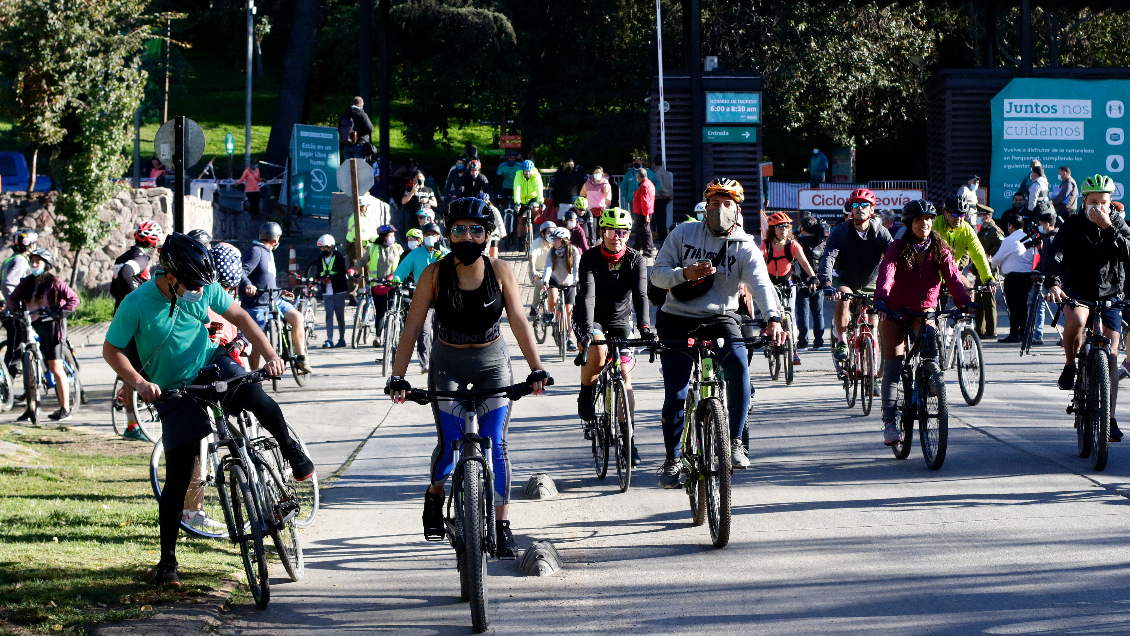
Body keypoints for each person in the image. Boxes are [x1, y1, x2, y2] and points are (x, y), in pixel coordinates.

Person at [104, 232, 315, 586]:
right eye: (192, 284)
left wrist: (273, 354)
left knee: (256, 396)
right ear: (170, 276)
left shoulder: (203, 286)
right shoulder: (136, 303)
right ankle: (167, 561)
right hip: (174, 389)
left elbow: (243, 318)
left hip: (212, 363)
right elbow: (113, 351)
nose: (200, 291)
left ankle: (291, 451)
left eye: (203, 284)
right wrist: (139, 383)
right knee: (178, 477)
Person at [385, 197, 550, 558]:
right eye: (458, 229)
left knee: (497, 445)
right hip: (447, 365)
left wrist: (536, 368)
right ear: (447, 234)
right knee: (448, 443)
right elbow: (412, 327)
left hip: (492, 363)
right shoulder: (434, 274)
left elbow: (520, 322)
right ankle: (434, 496)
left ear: (488, 235)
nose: (467, 237)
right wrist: (398, 377)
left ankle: (503, 525)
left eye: (476, 230)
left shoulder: (501, 270)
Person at [652, 178, 785, 482]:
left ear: (737, 209)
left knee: (739, 369)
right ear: (705, 207)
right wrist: (684, 273)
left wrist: (773, 319)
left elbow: (761, 284)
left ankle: (736, 442)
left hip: (720, 318)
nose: (719, 209)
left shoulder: (744, 246)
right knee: (676, 391)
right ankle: (673, 459)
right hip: (677, 317)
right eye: (714, 204)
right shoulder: (683, 232)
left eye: (727, 204)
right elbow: (658, 275)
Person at [873, 200, 974, 445]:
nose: (924, 223)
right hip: (894, 311)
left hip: (924, 310)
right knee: (894, 365)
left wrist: (965, 303)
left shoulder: (940, 248)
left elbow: (953, 279)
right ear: (909, 224)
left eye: (928, 218)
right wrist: (882, 300)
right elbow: (887, 274)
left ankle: (929, 380)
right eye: (918, 220)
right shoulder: (897, 247)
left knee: (929, 341)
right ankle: (889, 423)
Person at [1045, 174, 1130, 442]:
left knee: (1113, 356)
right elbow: (1056, 253)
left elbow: (1127, 252)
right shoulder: (1073, 224)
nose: (1098, 207)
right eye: (1093, 202)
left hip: (1111, 294)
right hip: (1078, 290)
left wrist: (1108, 227)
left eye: (1104, 202)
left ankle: (1110, 418)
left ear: (1110, 202)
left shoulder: (1117, 223)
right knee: (1078, 322)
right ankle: (1070, 364)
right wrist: (1054, 283)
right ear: (1083, 201)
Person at [574, 208, 650, 465]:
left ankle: (628, 440)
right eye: (610, 231)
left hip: (620, 321)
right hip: (591, 316)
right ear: (602, 233)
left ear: (628, 234)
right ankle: (586, 391)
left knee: (625, 383)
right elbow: (587, 297)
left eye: (621, 232)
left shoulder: (635, 259)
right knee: (596, 350)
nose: (615, 236)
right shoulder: (590, 258)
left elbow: (640, 296)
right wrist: (585, 331)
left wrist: (646, 328)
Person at [818, 188, 893, 363]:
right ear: (851, 209)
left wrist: (895, 284)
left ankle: (872, 372)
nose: (860, 208)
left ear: (871, 209)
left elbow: (893, 260)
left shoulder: (881, 232)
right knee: (843, 300)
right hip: (846, 279)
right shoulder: (840, 231)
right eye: (856, 205)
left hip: (872, 282)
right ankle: (842, 341)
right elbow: (828, 256)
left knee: (872, 328)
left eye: (864, 205)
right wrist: (827, 283)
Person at [10, 248, 79, 422]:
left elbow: (73, 299)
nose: (33, 265)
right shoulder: (25, 282)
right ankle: (31, 408)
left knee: (55, 368)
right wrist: (15, 310)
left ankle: (65, 409)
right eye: (32, 261)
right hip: (30, 325)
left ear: (46, 265)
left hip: (50, 327)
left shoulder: (53, 282)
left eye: (37, 262)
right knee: (29, 369)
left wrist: (58, 313)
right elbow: (13, 298)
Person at [240, 222, 313, 373]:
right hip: (257, 304)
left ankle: (301, 358)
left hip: (275, 300)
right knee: (255, 341)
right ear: (276, 238)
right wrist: (248, 284)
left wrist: (280, 292)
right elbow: (241, 271)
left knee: (297, 318)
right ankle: (254, 374)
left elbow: (266, 279)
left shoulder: (268, 252)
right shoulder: (256, 251)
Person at [761, 212, 818, 365]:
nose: (784, 229)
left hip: (787, 282)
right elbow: (756, 265)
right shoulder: (765, 246)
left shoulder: (792, 244)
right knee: (771, 310)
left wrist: (813, 276)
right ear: (772, 229)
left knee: (790, 315)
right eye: (780, 226)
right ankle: (765, 326)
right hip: (769, 282)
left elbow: (804, 262)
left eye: (786, 226)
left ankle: (793, 350)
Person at [393, 222, 449, 373]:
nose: (430, 237)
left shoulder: (446, 253)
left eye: (433, 235)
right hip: (422, 296)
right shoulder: (415, 254)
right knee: (423, 330)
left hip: (441, 297)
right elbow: (402, 269)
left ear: (438, 237)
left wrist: (444, 260)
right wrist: (397, 278)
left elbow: (456, 272)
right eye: (427, 235)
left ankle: (438, 360)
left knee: (440, 330)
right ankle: (425, 363)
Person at [935, 194, 995, 298]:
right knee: (932, 311)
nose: (958, 218)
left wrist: (988, 278)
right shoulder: (935, 226)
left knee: (969, 294)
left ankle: (965, 314)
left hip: (953, 273)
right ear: (945, 213)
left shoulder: (967, 230)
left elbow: (978, 254)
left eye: (962, 215)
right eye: (955, 214)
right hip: (933, 275)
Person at [358, 224, 405, 342]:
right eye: (390, 236)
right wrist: (354, 268)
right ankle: (378, 337)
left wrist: (395, 277)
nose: (392, 238)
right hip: (378, 284)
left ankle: (391, 336)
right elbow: (363, 260)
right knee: (381, 312)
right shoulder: (373, 247)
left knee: (392, 311)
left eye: (393, 236)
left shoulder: (397, 248)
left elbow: (405, 264)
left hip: (393, 285)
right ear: (383, 237)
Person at [993, 212, 1035, 343]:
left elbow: (997, 259)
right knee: (1023, 306)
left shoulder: (1010, 240)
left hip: (1013, 277)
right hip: (1027, 276)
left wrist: (992, 263)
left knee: (1013, 306)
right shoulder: (1028, 239)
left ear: (1010, 226)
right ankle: (1023, 332)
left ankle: (1013, 333)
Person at [1, 228, 37, 377]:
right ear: (30, 245)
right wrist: (15, 306)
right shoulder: (21, 261)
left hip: (6, 309)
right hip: (13, 312)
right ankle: (5, 385)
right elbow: (8, 284)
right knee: (15, 349)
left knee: (17, 345)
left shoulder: (9, 259)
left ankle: (28, 387)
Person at [305, 235, 349, 348]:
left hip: (339, 290)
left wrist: (330, 279)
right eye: (321, 248)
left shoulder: (338, 257)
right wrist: (316, 281)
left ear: (331, 246)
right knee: (329, 315)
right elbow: (319, 273)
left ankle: (342, 339)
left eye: (326, 248)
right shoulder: (320, 259)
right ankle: (329, 339)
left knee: (340, 316)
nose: (323, 250)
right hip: (326, 292)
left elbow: (342, 273)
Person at [543, 227, 581, 352]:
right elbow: (548, 267)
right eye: (553, 239)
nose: (554, 242)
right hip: (555, 280)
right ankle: (551, 313)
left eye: (556, 239)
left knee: (569, 312)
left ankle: (569, 338)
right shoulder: (552, 252)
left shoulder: (573, 251)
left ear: (564, 240)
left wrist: (576, 280)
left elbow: (576, 267)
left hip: (570, 283)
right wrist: (545, 280)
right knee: (552, 295)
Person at [112, 222, 162, 312]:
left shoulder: (120, 259)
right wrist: (136, 300)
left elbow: (113, 289)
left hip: (119, 312)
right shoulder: (140, 258)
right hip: (135, 313)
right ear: (154, 242)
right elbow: (125, 272)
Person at [794, 215, 827, 350]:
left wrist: (797, 232)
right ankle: (819, 342)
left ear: (802, 227)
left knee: (803, 313)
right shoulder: (822, 242)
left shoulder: (798, 242)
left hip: (803, 281)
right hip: (818, 281)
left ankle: (803, 342)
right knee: (818, 313)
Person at [1030, 209, 1060, 346]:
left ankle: (1038, 334)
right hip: (1053, 278)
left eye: (1041, 224)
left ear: (1048, 224)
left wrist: (1040, 271)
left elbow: (1048, 260)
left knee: (1047, 306)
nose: (1039, 227)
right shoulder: (1056, 237)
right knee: (1046, 306)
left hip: (1048, 279)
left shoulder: (1050, 239)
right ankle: (1038, 334)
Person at [975, 205, 1005, 338]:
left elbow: (1001, 246)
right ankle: (979, 329)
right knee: (979, 299)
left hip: (990, 269)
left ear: (987, 216)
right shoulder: (983, 230)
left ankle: (991, 330)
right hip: (980, 269)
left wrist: (989, 255)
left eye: (980, 215)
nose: (978, 218)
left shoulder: (995, 230)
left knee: (988, 299)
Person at [512, 160, 544, 245]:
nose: (528, 173)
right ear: (523, 170)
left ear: (532, 170)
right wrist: (517, 202)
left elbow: (539, 188)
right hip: (521, 199)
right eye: (526, 171)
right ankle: (520, 240)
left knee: (535, 208)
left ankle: (532, 222)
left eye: (529, 171)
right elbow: (517, 188)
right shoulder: (518, 175)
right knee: (521, 219)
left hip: (532, 197)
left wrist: (541, 201)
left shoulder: (536, 175)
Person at [528, 221, 556, 318]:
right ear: (542, 234)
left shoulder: (556, 243)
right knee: (540, 285)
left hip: (552, 271)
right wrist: (533, 272)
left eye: (553, 232)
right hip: (538, 271)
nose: (551, 235)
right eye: (548, 232)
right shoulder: (536, 243)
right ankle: (534, 307)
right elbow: (532, 259)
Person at [631, 167, 656, 255]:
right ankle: (637, 246)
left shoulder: (644, 186)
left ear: (638, 177)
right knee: (639, 230)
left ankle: (648, 249)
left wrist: (646, 215)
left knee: (645, 231)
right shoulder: (649, 184)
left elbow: (645, 202)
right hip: (646, 211)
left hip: (642, 212)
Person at [651, 156, 674, 241]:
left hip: (659, 197)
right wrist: (670, 193)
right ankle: (663, 235)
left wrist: (666, 193)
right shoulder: (665, 172)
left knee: (659, 218)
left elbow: (659, 185)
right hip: (665, 197)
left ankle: (662, 236)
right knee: (663, 217)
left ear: (654, 163)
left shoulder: (657, 173)